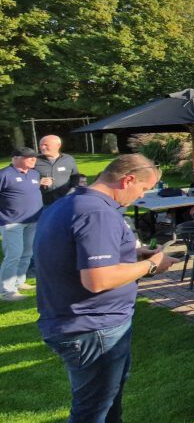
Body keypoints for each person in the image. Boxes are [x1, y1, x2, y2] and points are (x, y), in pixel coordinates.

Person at [34, 154, 178, 420]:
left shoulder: (69, 202)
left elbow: (74, 254)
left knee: (106, 404)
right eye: (143, 188)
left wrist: (132, 254)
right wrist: (151, 265)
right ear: (128, 180)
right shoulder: (98, 213)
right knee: (93, 411)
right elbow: (98, 279)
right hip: (92, 326)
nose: (141, 196)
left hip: (77, 320)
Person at [1, 147, 44, 301]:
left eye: (35, 157)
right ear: (16, 158)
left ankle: (19, 282)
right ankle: (6, 291)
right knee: (13, 255)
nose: (33, 160)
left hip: (33, 220)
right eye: (29, 157)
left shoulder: (34, 174)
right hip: (12, 222)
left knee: (27, 254)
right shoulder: (4, 174)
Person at [35, 135, 82, 206]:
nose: (42, 147)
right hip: (42, 202)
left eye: (46, 145)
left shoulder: (68, 159)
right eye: (41, 145)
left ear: (58, 145)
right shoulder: (34, 160)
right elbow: (25, 177)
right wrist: (38, 182)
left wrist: (73, 189)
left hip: (64, 200)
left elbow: (75, 176)